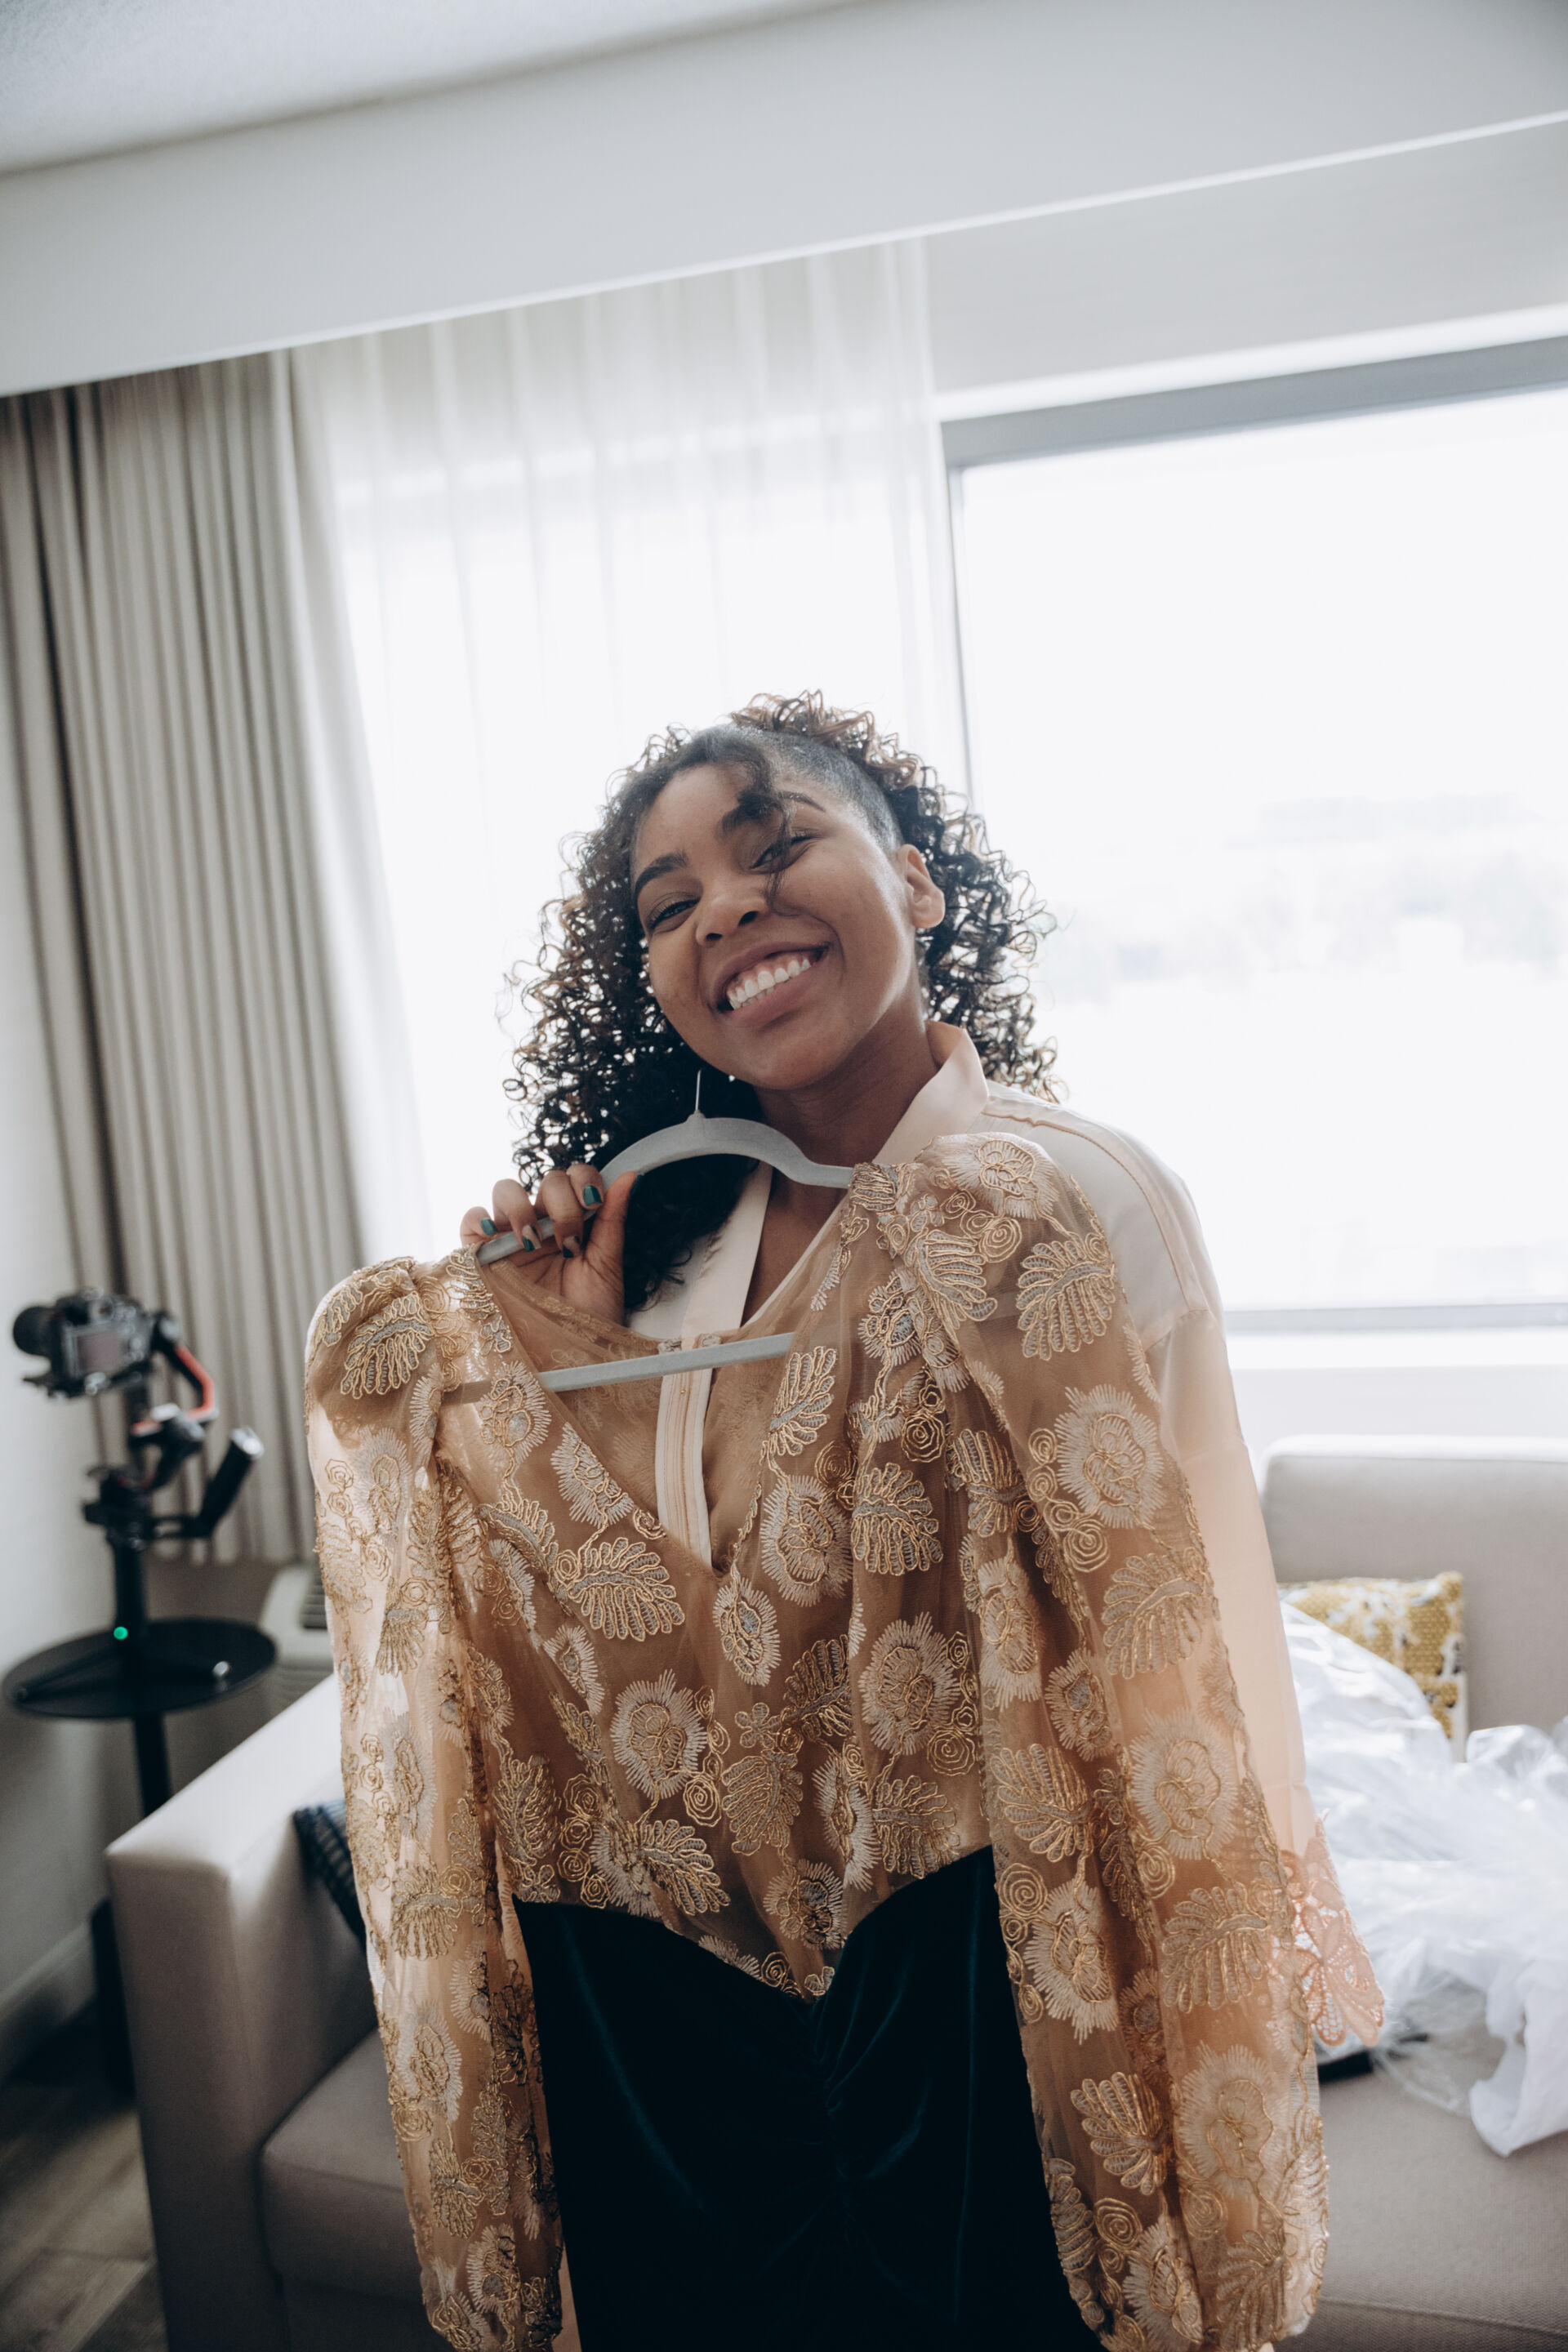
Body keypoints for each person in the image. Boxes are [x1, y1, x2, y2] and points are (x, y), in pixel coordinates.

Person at [310, 693, 1377, 2352]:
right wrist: (565, 1362)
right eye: (670, 902)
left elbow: (1190, 1653)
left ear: (919, 879)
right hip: (684, 2041)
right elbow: (677, 1638)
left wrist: (1209, 2002)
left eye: (774, 844)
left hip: (993, 1991)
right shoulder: (659, 1249)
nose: (726, 908)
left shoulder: (1073, 1206)